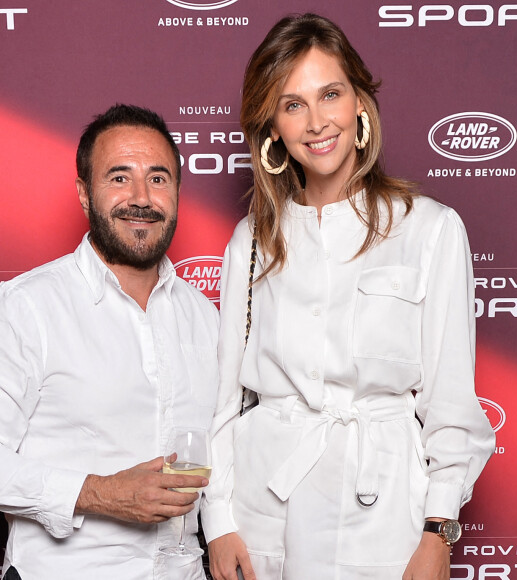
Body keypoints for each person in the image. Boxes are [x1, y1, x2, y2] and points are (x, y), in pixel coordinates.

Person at [201, 13, 495, 580]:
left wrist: (439, 532)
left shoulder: (429, 228)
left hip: (384, 514)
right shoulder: (253, 239)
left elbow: (451, 400)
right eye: (292, 105)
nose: (316, 123)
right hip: (264, 511)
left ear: (359, 101)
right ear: (273, 129)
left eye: (329, 94)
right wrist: (218, 521)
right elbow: (222, 402)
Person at [0, 104, 219, 580]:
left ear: (178, 191)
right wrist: (99, 492)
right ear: (84, 194)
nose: (141, 197)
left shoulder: (206, 318)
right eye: (119, 178)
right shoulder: (24, 308)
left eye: (158, 179)